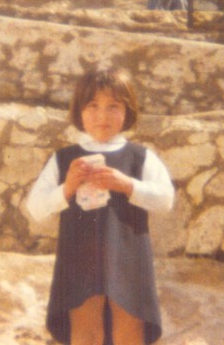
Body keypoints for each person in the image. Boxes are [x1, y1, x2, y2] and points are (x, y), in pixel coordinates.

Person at [26, 67, 174, 345]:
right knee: (85, 328)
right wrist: (67, 188)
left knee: (129, 327)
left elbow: (166, 199)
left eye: (113, 107)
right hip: (79, 255)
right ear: (79, 111)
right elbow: (35, 208)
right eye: (92, 106)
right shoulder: (64, 159)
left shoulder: (140, 157)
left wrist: (128, 185)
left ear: (127, 111)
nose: (102, 116)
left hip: (127, 255)